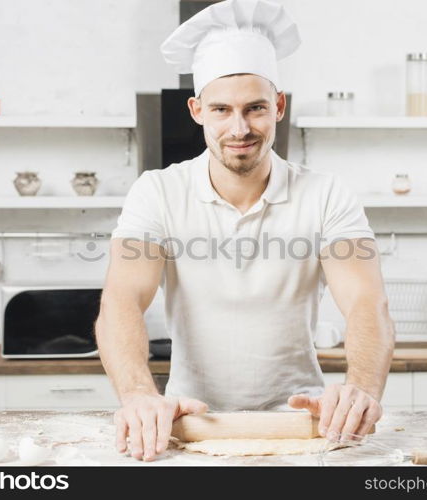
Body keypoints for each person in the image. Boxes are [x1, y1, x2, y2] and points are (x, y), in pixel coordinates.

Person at [94, 0, 395, 462]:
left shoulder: (327, 195)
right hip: (188, 422)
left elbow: (365, 301)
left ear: (278, 106)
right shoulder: (156, 192)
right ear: (197, 111)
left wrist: (360, 388)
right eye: (221, 110)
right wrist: (138, 394)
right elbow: (121, 299)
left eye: (255, 108)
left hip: (305, 422)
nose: (239, 128)